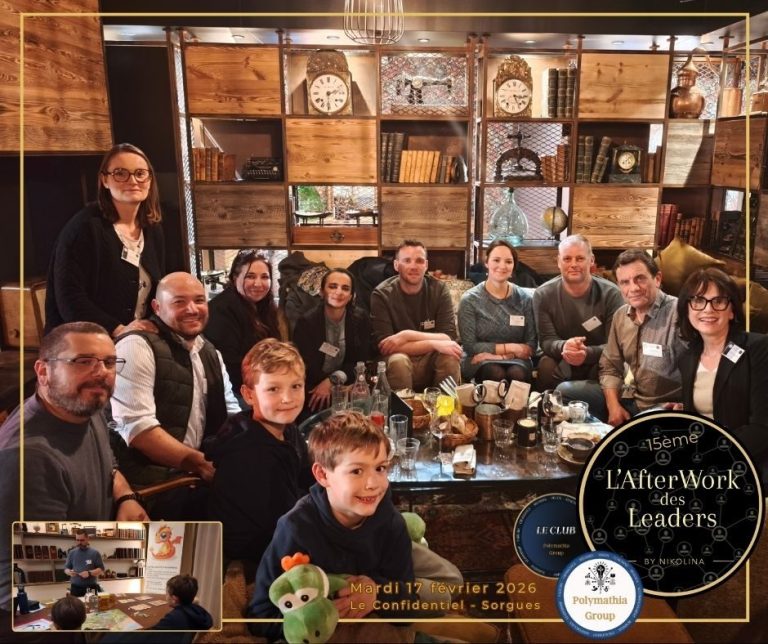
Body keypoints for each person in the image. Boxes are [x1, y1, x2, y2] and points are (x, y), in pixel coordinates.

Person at [248, 411, 415, 640]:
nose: (373, 484)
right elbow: (260, 615)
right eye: (356, 471)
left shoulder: (392, 523)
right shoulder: (295, 528)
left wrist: (376, 595)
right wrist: (318, 619)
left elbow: (408, 605)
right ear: (322, 475)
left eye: (380, 468)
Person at [111, 272, 241, 519]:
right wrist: (201, 464)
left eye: (199, 300)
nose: (192, 309)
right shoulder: (136, 346)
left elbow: (231, 410)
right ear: (157, 307)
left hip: (194, 481)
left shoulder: (209, 350)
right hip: (150, 489)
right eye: (179, 302)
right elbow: (140, 431)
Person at [0, 322, 147, 521]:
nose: (102, 372)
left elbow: (109, 467)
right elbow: (40, 552)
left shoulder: (85, 407)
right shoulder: (28, 460)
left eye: (110, 362)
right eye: (84, 361)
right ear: (43, 372)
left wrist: (126, 497)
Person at [204, 339, 312, 582]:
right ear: (249, 395)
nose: (288, 398)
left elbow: (307, 479)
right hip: (254, 558)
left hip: (280, 533)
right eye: (273, 389)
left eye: (296, 386)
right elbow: (284, 520)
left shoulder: (288, 429)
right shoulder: (248, 453)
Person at [45, 143, 166, 338]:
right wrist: (117, 329)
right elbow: (69, 299)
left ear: (150, 180)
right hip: (83, 343)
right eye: (120, 173)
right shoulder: (84, 228)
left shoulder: (153, 230)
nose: (132, 180)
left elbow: (158, 288)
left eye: (140, 173)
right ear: (105, 180)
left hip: (134, 339)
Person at [676, 268, 768, 474]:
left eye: (718, 301)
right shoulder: (687, 358)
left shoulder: (758, 349)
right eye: (698, 301)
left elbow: (763, 428)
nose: (708, 309)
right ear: (687, 309)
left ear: (732, 310)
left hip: (747, 462)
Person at [598, 249, 685, 425]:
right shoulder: (621, 316)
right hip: (629, 396)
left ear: (657, 279)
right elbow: (610, 366)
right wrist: (613, 406)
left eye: (640, 278)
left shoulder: (681, 314)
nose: (634, 288)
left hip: (664, 408)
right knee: (567, 392)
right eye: (625, 282)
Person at [532, 234, 624, 395]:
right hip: (560, 357)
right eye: (567, 259)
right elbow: (546, 341)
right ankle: (546, 414)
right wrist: (565, 346)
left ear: (592, 260)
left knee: (610, 365)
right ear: (558, 262)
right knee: (546, 365)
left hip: (598, 358)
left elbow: (615, 346)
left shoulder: (612, 294)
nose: (573, 264)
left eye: (580, 258)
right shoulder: (543, 294)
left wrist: (586, 354)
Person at [370, 240, 462, 391]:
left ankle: (446, 413)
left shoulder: (439, 290)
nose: (413, 266)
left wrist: (405, 335)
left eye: (419, 261)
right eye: (407, 261)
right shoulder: (381, 294)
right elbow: (386, 347)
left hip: (430, 359)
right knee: (399, 361)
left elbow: (448, 337)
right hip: (396, 359)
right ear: (396, 265)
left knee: (450, 358)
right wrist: (433, 343)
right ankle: (401, 414)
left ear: (426, 265)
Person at [205, 250, 280, 403]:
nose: (258, 283)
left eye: (264, 277)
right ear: (235, 278)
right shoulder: (221, 309)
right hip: (234, 391)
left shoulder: (263, 305)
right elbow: (229, 364)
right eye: (250, 276)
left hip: (260, 381)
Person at [458, 240, 537, 383]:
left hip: (517, 360)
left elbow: (530, 345)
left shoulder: (525, 299)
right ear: (487, 263)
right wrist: (512, 347)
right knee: (495, 372)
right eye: (496, 260)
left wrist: (499, 356)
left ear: (513, 267)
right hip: (477, 359)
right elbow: (470, 346)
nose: (502, 266)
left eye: (508, 261)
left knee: (517, 373)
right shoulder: (470, 300)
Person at [293, 268, 372, 412]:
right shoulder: (306, 323)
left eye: (345, 288)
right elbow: (305, 365)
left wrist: (333, 381)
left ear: (351, 296)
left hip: (347, 383)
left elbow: (360, 360)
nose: (339, 292)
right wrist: (327, 387)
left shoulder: (361, 319)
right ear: (322, 292)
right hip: (314, 388)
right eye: (333, 286)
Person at [64, 530, 104, 597]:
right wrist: (69, 572)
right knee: (76, 607)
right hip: (75, 588)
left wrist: (89, 573)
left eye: (82, 540)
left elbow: (101, 569)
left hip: (91, 588)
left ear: (87, 539)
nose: (79, 542)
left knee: (92, 607)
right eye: (77, 540)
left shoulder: (95, 553)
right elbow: (66, 568)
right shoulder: (71, 553)